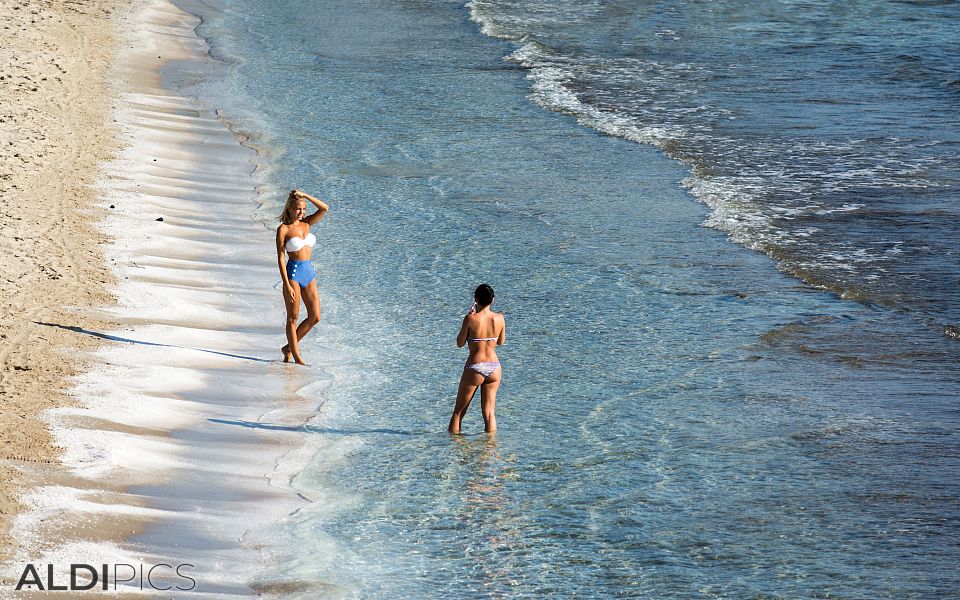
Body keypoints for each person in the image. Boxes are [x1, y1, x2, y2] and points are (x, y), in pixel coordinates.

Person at [276, 189, 329, 365]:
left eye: (304, 209)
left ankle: (289, 347)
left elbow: (324, 209)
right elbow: (280, 259)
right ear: (290, 209)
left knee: (315, 317)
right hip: (293, 274)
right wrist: (287, 284)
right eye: (298, 209)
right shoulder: (283, 230)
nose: (302, 212)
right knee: (293, 317)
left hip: (309, 272)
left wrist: (305, 195)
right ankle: (297, 357)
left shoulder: (307, 224)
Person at [449, 284, 506, 434]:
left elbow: (460, 343)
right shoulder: (499, 318)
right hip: (494, 367)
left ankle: (451, 449)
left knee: (458, 413)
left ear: (476, 299)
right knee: (489, 414)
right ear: (492, 300)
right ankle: (490, 449)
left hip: (476, 367)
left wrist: (469, 318)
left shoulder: (470, 318)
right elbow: (500, 342)